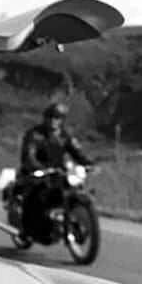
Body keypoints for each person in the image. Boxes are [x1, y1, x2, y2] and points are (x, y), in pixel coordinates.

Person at [18, 102, 93, 240]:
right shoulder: (34, 134)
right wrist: (39, 168)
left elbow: (76, 152)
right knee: (35, 196)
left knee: (72, 189)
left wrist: (87, 163)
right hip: (36, 173)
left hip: (58, 173)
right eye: (51, 117)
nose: (54, 121)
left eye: (58, 118)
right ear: (45, 118)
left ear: (62, 120)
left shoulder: (65, 135)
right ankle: (26, 229)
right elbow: (29, 155)